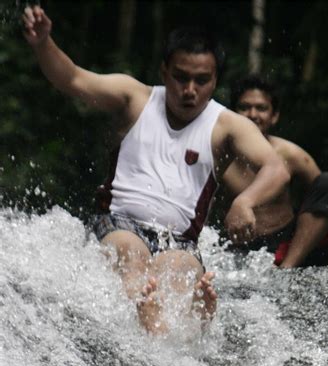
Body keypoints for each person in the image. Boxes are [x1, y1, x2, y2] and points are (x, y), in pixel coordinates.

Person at [23, 7, 289, 334]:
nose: (190, 89)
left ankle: (183, 324)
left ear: (215, 79)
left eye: (201, 80)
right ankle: (151, 324)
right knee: (132, 255)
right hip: (119, 222)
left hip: (180, 240)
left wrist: (245, 201)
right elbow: (74, 78)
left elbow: (276, 167)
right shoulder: (135, 98)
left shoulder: (226, 125)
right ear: (164, 72)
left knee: (177, 268)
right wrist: (43, 43)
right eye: (181, 77)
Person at [218, 75, 328, 268]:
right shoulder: (221, 156)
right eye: (244, 107)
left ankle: (286, 270)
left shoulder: (291, 154)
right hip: (241, 247)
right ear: (233, 113)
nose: (252, 114)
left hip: (290, 244)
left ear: (274, 116)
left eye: (261, 108)